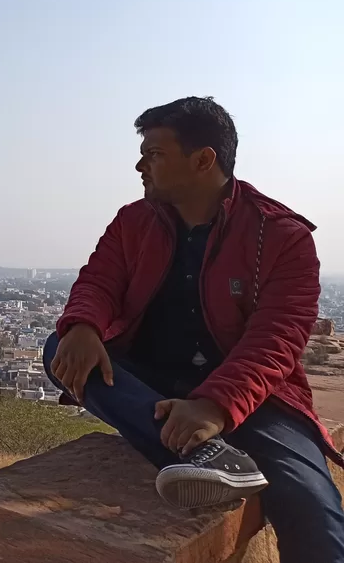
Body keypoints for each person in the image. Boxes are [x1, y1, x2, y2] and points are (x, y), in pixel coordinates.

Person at [43, 97, 344, 563]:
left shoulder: (281, 235)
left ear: (204, 159)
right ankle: (206, 458)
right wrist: (82, 325)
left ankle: (201, 447)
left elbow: (278, 339)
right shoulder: (134, 221)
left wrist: (214, 405)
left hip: (251, 396)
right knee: (60, 348)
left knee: (316, 515)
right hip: (153, 382)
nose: (141, 165)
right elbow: (99, 281)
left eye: (156, 154)